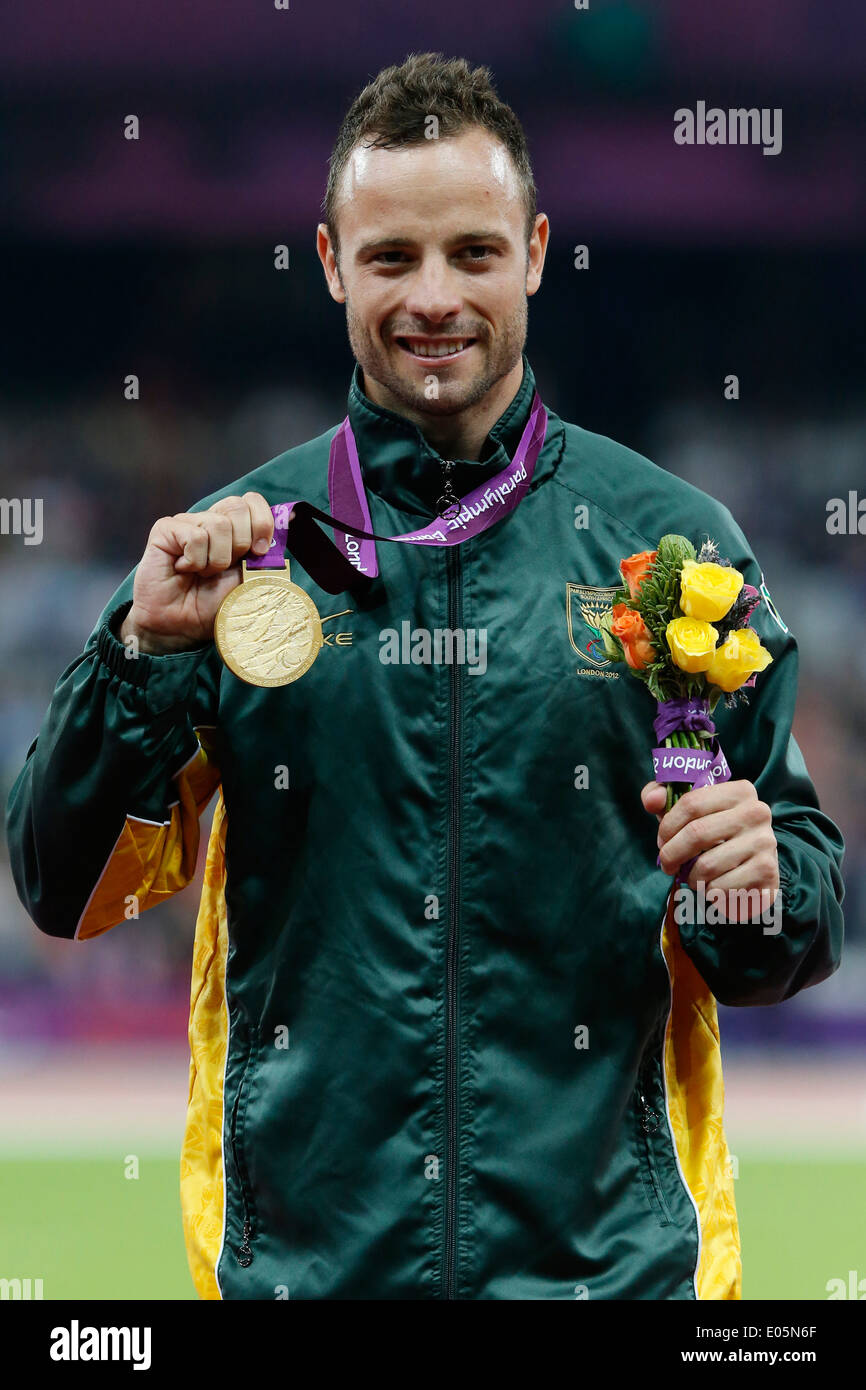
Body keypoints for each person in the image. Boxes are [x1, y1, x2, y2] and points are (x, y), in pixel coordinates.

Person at [5, 52, 844, 1301]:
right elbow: (63, 891)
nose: (433, 297)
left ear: (538, 250)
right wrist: (140, 653)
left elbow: (791, 925)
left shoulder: (674, 548)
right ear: (334, 261)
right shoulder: (237, 554)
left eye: (473, 252)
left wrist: (758, 884)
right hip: (310, 1275)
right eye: (392, 258)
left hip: (612, 1284)